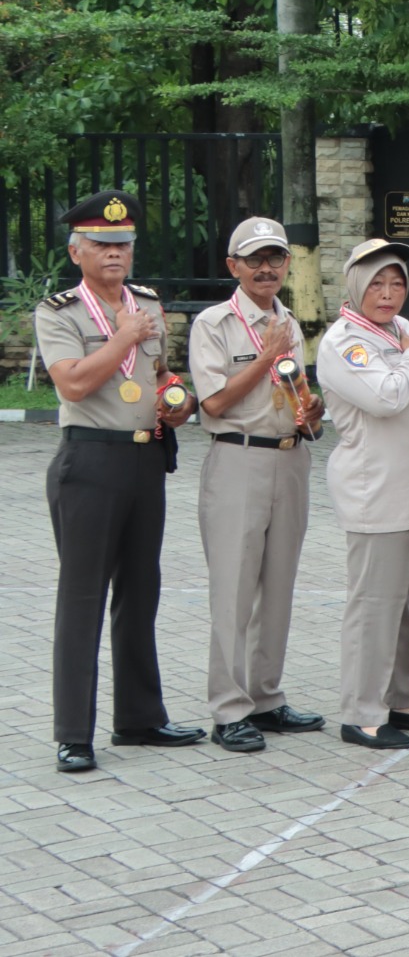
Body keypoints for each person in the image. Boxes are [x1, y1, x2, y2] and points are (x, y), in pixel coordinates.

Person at [36, 190, 205, 772]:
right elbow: (74, 385)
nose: (115, 253)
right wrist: (124, 337)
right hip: (89, 463)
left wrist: (175, 399)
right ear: (76, 250)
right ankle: (73, 734)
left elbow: (158, 375)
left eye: (123, 244)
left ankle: (139, 718)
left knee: (141, 592)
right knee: (82, 598)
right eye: (102, 244)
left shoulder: (147, 304)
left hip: (144, 461)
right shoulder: (59, 312)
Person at [188, 215, 326, 754]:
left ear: (286, 264)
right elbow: (215, 403)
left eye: (275, 258)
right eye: (254, 260)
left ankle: (266, 697)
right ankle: (228, 708)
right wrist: (266, 356)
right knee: (234, 589)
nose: (266, 269)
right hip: (238, 460)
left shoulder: (288, 319)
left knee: (279, 587)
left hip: (289, 459)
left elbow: (295, 393)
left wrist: (311, 410)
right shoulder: (215, 324)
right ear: (233, 267)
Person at [318, 238, 409, 749]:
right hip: (377, 491)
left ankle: (400, 699)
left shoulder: (400, 329)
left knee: (404, 604)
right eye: (377, 283)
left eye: (397, 283)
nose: (389, 293)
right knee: (374, 604)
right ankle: (361, 711)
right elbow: (388, 396)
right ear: (355, 286)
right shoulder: (344, 341)